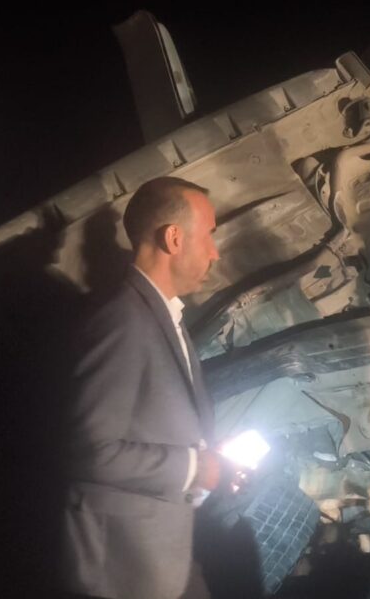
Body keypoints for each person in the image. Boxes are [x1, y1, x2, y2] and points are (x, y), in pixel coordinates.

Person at [60, 176, 222, 599]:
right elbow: (90, 451)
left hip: (165, 557)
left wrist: (208, 466)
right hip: (125, 574)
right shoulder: (121, 320)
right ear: (174, 238)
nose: (215, 252)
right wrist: (193, 467)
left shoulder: (162, 314)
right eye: (208, 236)